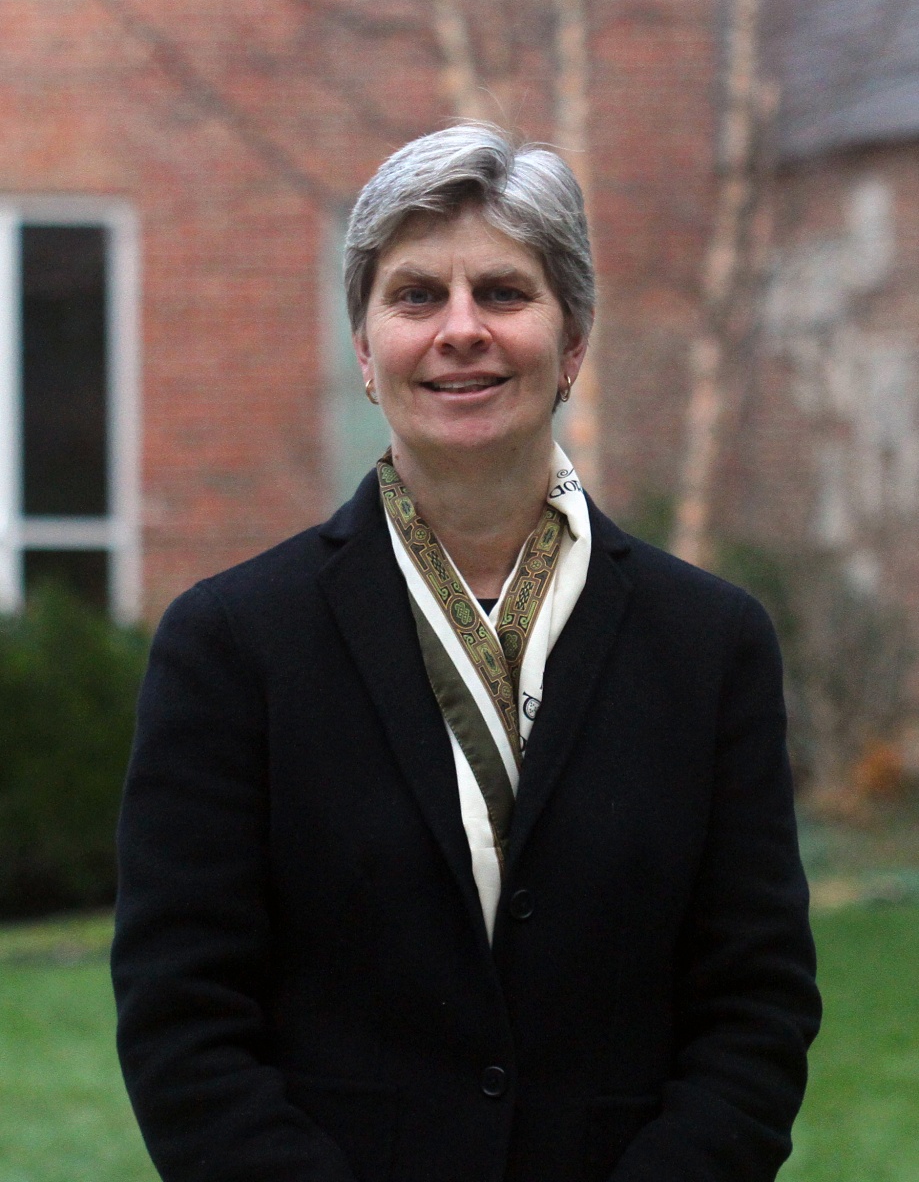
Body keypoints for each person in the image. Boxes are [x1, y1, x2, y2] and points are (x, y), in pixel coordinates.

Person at [112, 123, 821, 1182]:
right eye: (413, 297)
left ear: (572, 340)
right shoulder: (232, 645)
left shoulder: (709, 644)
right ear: (363, 347)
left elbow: (754, 1008)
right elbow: (184, 1023)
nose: (459, 331)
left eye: (502, 292)